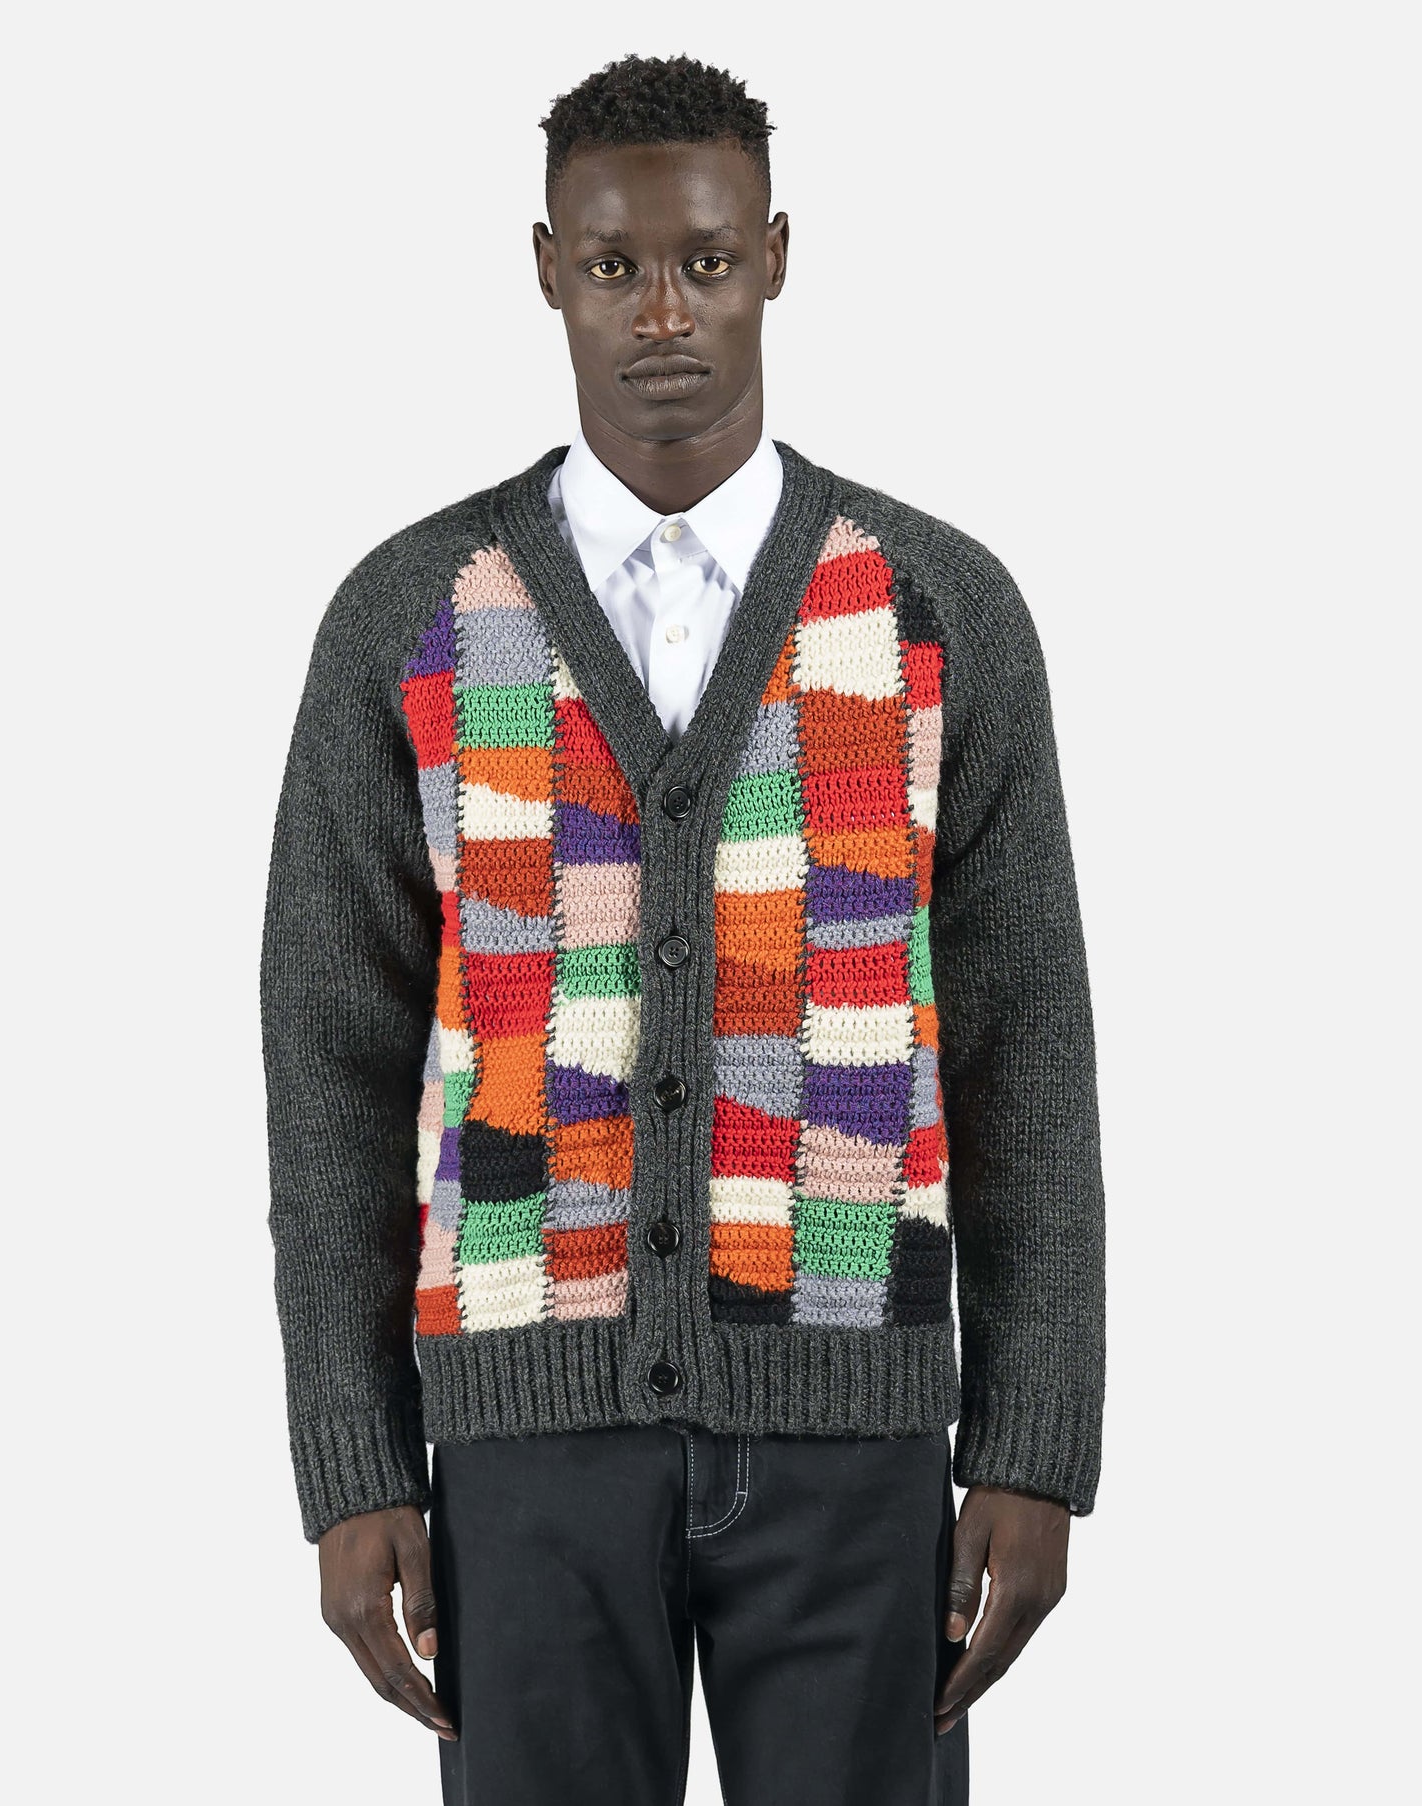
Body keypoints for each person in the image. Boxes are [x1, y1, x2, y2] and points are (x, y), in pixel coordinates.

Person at [260, 51, 1105, 1806]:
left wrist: (1032, 1444)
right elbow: (328, 1068)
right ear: (545, 268)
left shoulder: (935, 609)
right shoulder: (411, 618)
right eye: (613, 265)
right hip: (523, 1448)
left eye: (707, 261)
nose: (662, 311)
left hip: (859, 1437)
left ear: (775, 256)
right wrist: (353, 1464)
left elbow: (1025, 1048)